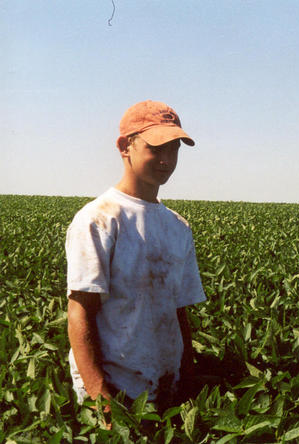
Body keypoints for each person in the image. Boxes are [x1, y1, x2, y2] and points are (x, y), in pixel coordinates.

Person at [65, 100, 206, 411]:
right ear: (124, 146)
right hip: (116, 396)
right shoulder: (99, 219)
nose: (166, 159)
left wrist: (188, 379)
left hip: (167, 390)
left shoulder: (178, 227)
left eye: (174, 149)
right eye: (156, 148)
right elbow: (79, 312)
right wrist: (101, 399)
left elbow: (178, 313)